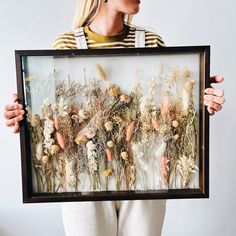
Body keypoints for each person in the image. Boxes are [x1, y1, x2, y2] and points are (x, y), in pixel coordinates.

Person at [3, 0, 225, 235]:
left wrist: (196, 100)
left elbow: (165, 104)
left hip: (144, 170)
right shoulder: (66, 44)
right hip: (84, 174)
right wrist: (24, 115)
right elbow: (54, 112)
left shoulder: (150, 41)